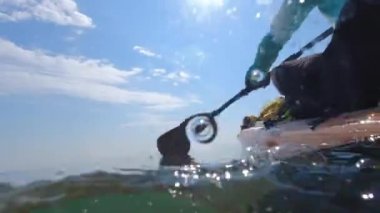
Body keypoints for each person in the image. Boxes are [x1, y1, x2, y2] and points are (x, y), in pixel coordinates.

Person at [244, 0, 380, 125]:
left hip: (351, 82)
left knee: (280, 73)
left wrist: (258, 71)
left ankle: (314, 108)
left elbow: (277, 36)